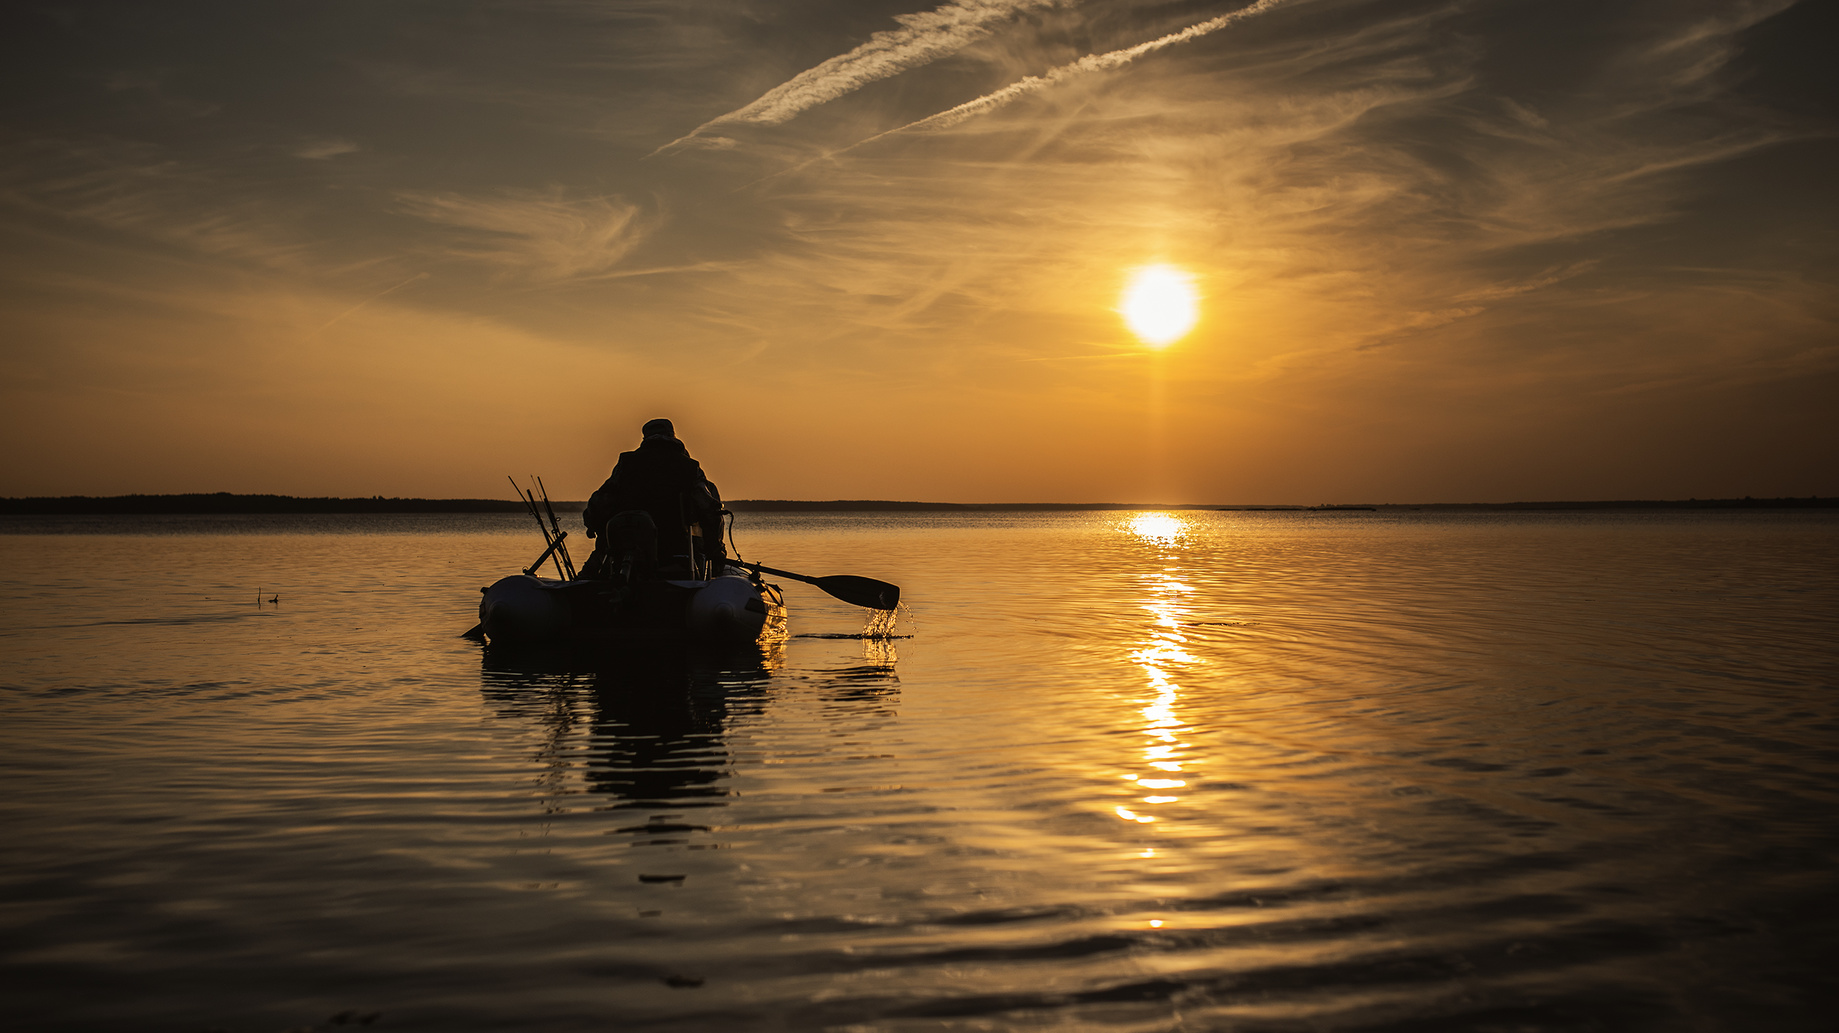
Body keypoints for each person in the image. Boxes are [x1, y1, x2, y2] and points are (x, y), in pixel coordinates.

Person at [582, 418, 726, 580]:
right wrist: (717, 551)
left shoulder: (626, 465)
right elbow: (710, 512)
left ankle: (590, 579)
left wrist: (591, 524)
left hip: (629, 556)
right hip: (679, 554)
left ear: (645, 438)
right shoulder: (690, 468)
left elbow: (599, 504)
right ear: (672, 436)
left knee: (605, 543)